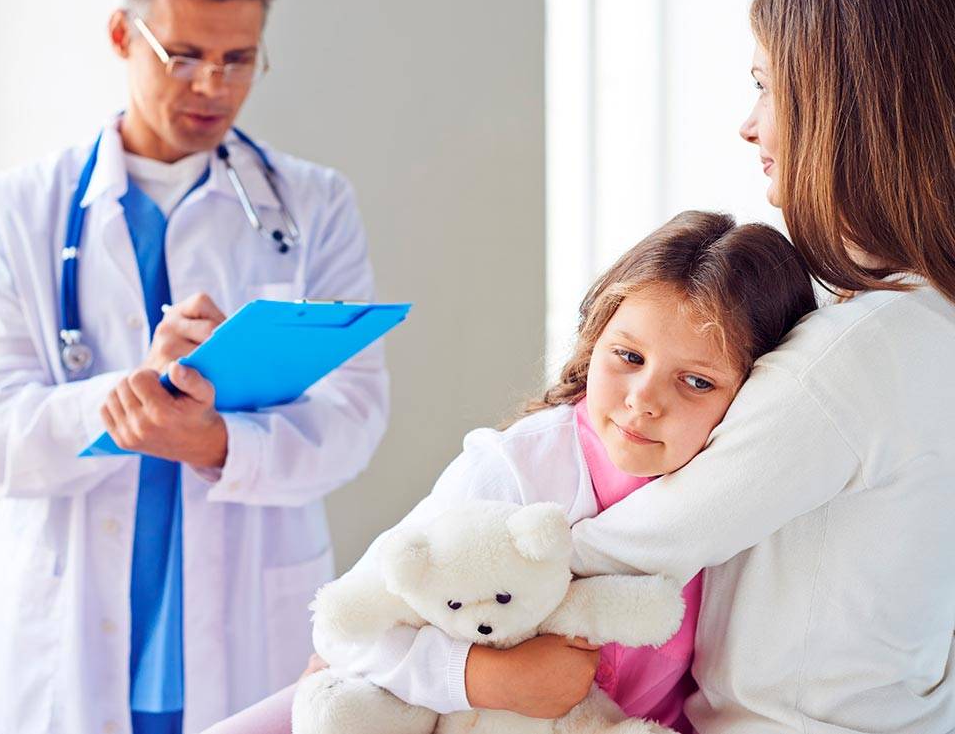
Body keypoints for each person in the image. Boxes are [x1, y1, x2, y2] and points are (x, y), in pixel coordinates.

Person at [0, 0, 389, 733]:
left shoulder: (314, 206)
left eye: (238, 59)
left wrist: (218, 442)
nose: (214, 86)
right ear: (122, 35)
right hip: (71, 630)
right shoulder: (14, 211)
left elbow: (355, 416)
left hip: (248, 619)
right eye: (184, 56)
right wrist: (129, 398)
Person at [202, 211, 817, 733]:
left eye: (697, 382)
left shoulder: (744, 498)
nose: (643, 401)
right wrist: (483, 677)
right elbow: (345, 631)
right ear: (594, 341)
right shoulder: (517, 469)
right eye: (627, 356)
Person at [565, 0, 955, 732]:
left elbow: (623, 550)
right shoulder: (927, 319)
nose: (748, 127)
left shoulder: (856, 355)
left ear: (841, 111)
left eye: (766, 88)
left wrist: (398, 620)